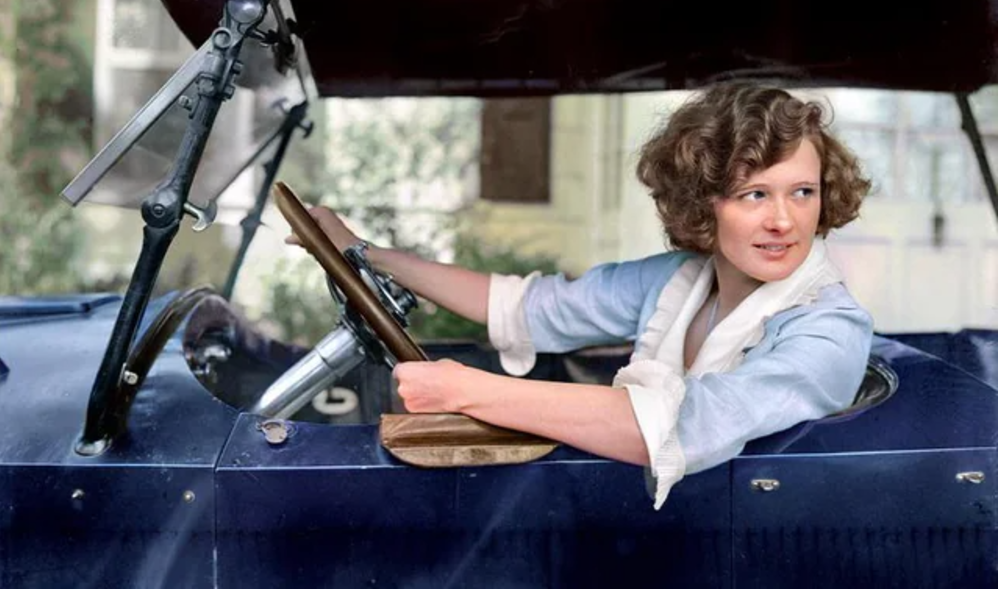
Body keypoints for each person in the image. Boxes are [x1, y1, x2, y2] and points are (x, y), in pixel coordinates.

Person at [288, 82, 874, 509]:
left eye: (802, 191)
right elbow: (527, 309)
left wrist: (468, 390)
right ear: (703, 201)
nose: (784, 220)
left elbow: (670, 429)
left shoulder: (830, 328)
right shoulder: (682, 280)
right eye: (754, 195)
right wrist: (364, 253)